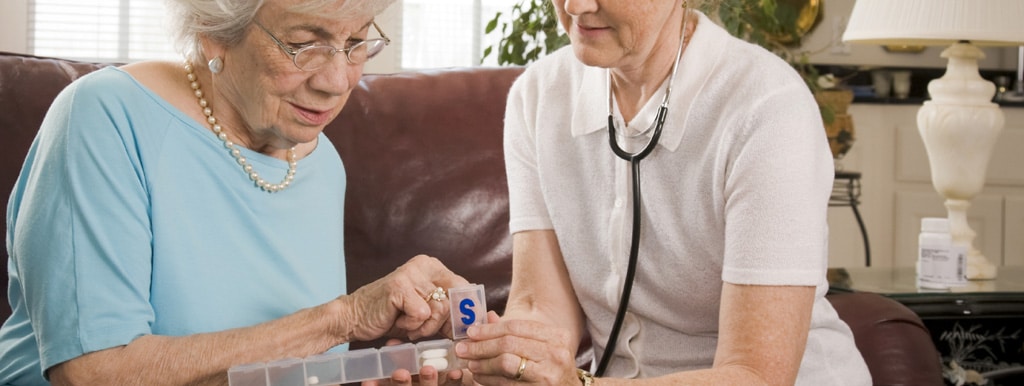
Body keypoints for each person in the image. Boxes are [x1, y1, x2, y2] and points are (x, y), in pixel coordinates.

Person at [0, 1, 467, 385]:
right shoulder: (104, 117)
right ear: (214, 31)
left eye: (355, 42)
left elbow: (277, 368)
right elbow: (93, 374)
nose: (338, 80)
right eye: (304, 45)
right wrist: (343, 319)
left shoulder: (321, 162)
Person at [453, 0, 872, 385]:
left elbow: (755, 375)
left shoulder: (767, 107)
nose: (576, 7)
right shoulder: (539, 96)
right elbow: (541, 310)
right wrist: (498, 360)